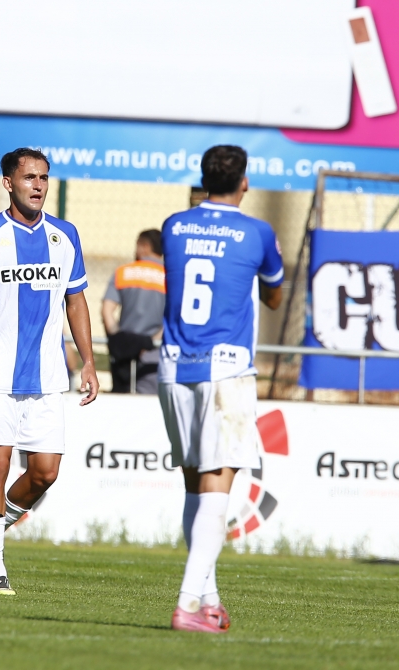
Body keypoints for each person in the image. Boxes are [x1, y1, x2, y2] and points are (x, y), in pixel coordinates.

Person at [0, 148, 99, 596]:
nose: (38, 185)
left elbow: (76, 300)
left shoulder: (66, 236)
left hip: (49, 377)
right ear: (8, 182)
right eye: (29, 177)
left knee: (46, 473)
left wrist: (87, 361)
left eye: (44, 178)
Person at [161, 145, 283, 633]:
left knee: (195, 481)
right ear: (246, 182)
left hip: (173, 369)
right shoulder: (256, 232)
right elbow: (274, 294)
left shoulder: (174, 225)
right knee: (218, 484)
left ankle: (209, 599)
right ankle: (188, 605)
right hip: (226, 372)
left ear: (204, 177)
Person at [103, 229, 165, 394]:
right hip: (154, 351)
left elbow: (107, 310)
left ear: (144, 246)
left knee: (121, 399)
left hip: (123, 351)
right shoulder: (169, 277)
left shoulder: (123, 272)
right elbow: (172, 317)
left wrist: (119, 338)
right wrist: (151, 342)